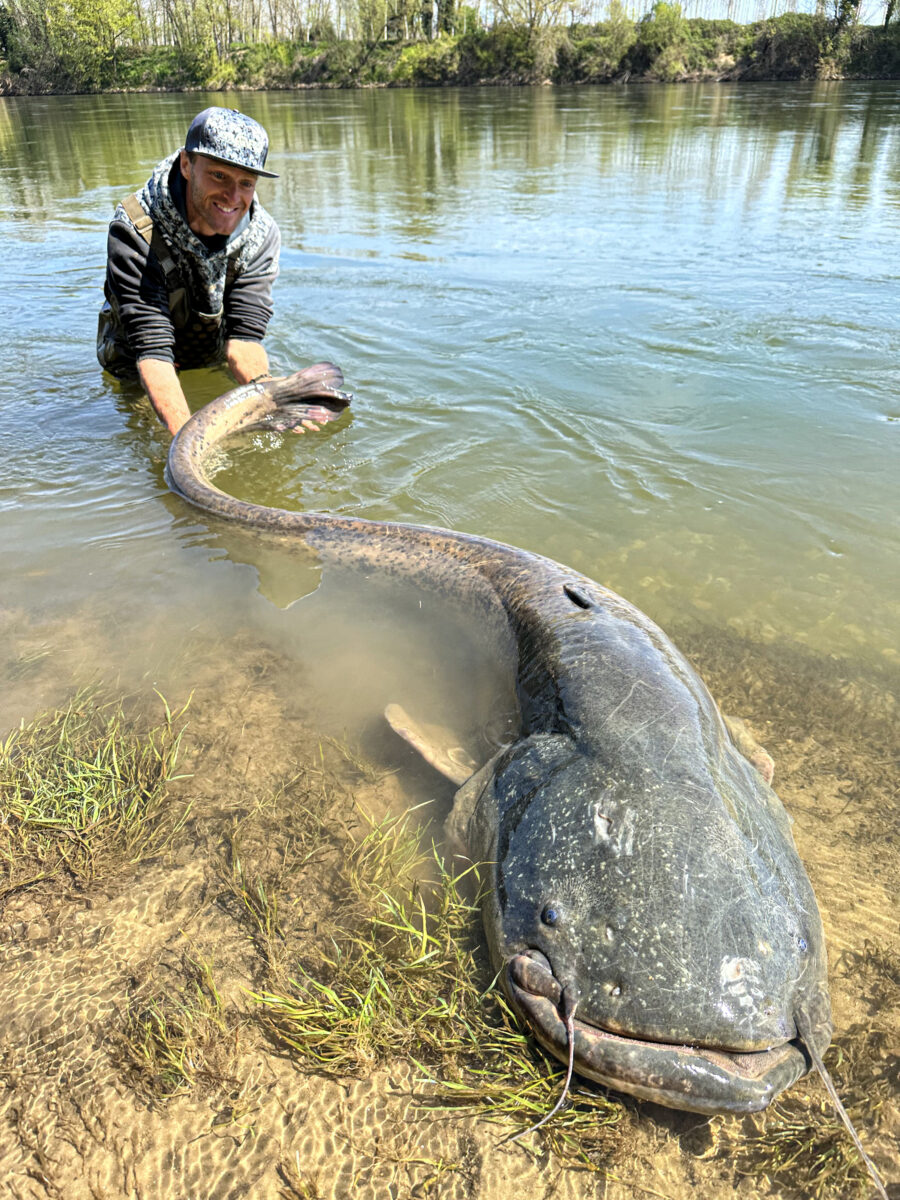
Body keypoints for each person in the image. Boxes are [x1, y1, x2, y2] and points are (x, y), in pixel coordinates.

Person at [97, 107, 281, 436]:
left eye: (246, 183)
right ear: (187, 165)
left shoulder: (262, 235)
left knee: (257, 436)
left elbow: (244, 340)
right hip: (137, 361)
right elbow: (152, 349)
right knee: (156, 443)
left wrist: (272, 397)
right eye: (219, 176)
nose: (232, 197)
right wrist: (188, 442)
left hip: (209, 354)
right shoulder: (135, 229)